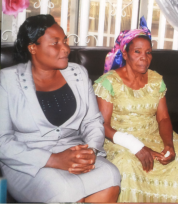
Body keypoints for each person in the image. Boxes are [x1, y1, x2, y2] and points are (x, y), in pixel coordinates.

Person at [0, 14, 120, 203]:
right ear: (33, 48)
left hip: (73, 151)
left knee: (110, 174)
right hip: (28, 161)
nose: (65, 48)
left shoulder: (78, 73)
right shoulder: (6, 81)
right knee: (65, 190)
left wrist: (91, 151)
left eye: (64, 40)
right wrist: (53, 159)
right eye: (55, 43)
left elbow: (92, 121)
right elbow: (2, 142)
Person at [93, 17, 178, 203]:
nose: (144, 58)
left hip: (152, 134)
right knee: (128, 163)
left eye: (148, 53)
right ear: (125, 53)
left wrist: (168, 144)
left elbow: (163, 118)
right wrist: (135, 146)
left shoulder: (156, 80)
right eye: (137, 52)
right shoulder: (108, 82)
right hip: (119, 139)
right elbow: (102, 126)